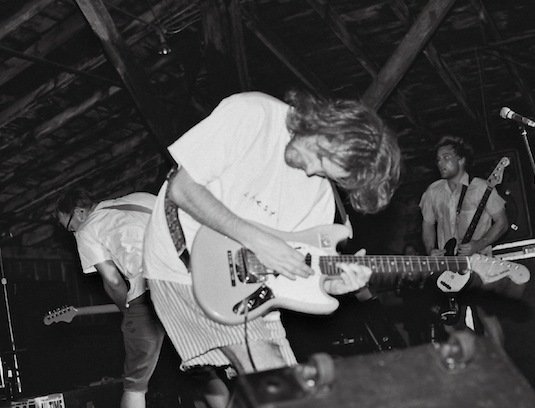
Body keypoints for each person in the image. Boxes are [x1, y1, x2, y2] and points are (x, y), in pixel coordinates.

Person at [142, 90, 401, 406]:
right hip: (180, 261)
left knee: (283, 388)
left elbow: (301, 269)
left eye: (325, 173)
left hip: (252, 285)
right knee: (273, 379)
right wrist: (257, 240)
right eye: (320, 159)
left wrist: (334, 284)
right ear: (327, 127)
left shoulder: (319, 196)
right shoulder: (253, 114)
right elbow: (181, 189)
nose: (312, 172)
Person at [56, 189, 165, 408]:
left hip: (147, 287)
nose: (72, 232)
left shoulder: (87, 229)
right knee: (203, 367)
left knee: (135, 386)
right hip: (188, 278)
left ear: (79, 212)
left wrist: (128, 311)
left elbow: (113, 280)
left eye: (69, 226)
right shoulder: (141, 197)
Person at [419, 135, 508, 337]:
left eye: (446, 157)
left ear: (461, 160)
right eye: (438, 159)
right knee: (450, 323)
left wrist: (479, 244)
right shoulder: (433, 192)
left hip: (480, 263)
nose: (440, 163)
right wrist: (430, 250)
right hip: (449, 266)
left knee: (487, 316)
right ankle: (475, 352)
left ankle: (495, 356)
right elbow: (427, 225)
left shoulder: (482, 188)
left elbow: (502, 223)